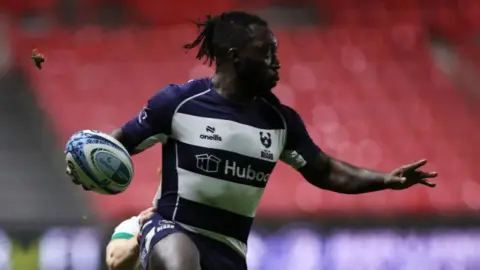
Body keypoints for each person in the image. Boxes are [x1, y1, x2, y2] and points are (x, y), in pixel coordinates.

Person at [68, 11, 437, 270]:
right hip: (171, 228)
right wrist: (83, 162)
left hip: (229, 248)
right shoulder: (178, 104)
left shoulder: (280, 122)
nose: (276, 62)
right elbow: (114, 146)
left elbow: (325, 172)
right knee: (181, 261)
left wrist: (385, 180)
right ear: (235, 58)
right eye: (266, 52)